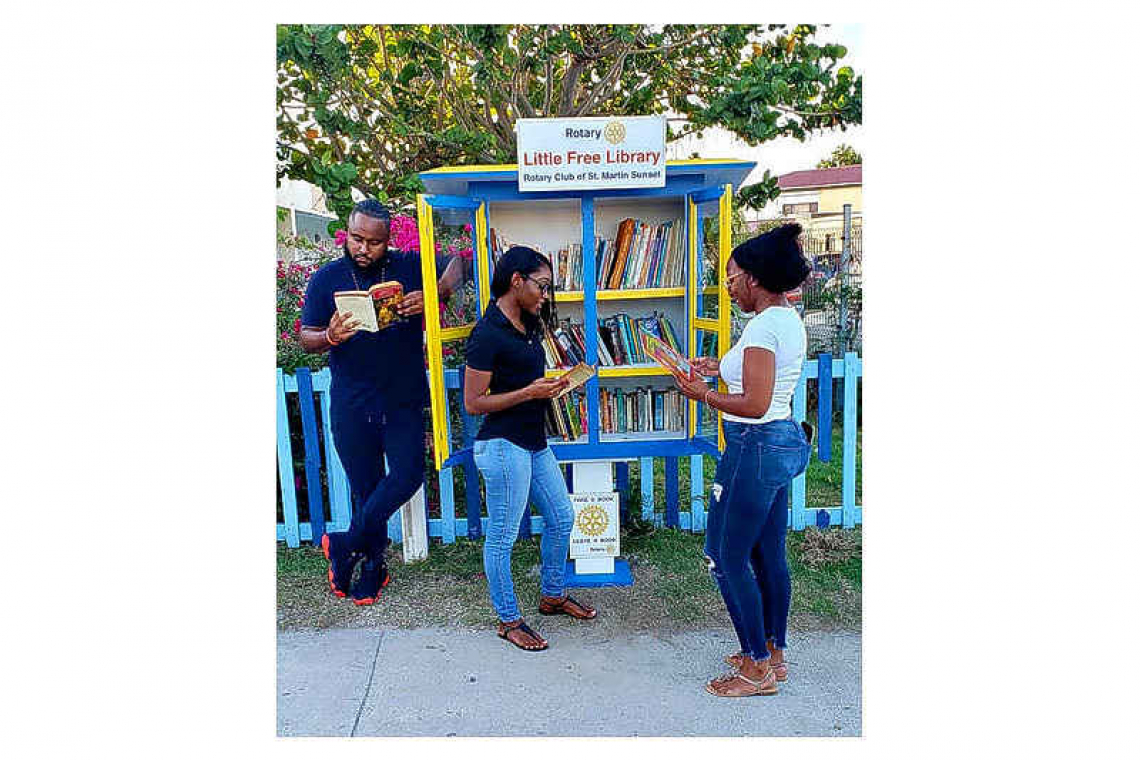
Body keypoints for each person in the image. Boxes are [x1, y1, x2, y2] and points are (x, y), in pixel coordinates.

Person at [671, 223, 813, 697]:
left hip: (753, 445)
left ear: (753, 278)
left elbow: (753, 402)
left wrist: (704, 395)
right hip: (777, 442)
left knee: (724, 556)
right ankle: (773, 652)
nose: (728, 287)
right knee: (767, 552)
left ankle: (755, 669)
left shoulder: (763, 326)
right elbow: (761, 379)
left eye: (732, 279)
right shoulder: (784, 319)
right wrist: (717, 367)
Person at [299, 199, 464, 605]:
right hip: (352, 402)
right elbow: (307, 337)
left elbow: (462, 262)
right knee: (366, 488)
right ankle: (373, 565)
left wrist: (435, 292)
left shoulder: (410, 266)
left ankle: (344, 543)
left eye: (373, 242)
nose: (363, 249)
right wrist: (330, 337)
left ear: (387, 241)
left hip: (402, 398)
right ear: (347, 232)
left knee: (408, 475)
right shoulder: (328, 278)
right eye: (357, 238)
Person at [462, 246, 597, 651]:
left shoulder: (527, 324)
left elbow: (523, 382)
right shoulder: (487, 334)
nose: (545, 295)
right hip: (502, 446)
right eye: (541, 286)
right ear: (515, 280)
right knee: (502, 537)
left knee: (562, 517)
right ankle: (508, 620)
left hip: (534, 443)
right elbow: (473, 403)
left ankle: (552, 595)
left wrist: (551, 386)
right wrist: (528, 392)